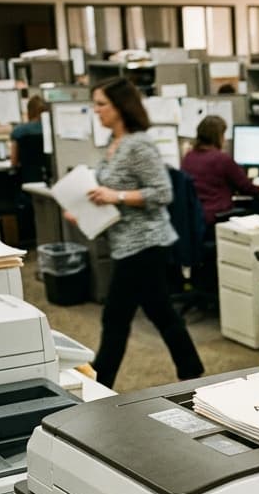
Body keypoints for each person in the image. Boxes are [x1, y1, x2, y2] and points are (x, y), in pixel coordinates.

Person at [69, 76, 204, 389]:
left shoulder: (138, 145)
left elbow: (161, 192)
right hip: (125, 240)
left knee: (115, 317)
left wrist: (113, 196)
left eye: (101, 104)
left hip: (146, 242)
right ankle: (191, 370)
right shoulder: (112, 146)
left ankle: (100, 383)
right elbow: (109, 191)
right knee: (160, 311)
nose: (96, 110)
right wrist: (85, 209)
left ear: (120, 107)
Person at [181, 115, 259, 227]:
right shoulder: (221, 159)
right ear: (218, 137)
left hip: (196, 218)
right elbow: (248, 188)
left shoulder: (188, 157)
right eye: (223, 135)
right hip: (217, 216)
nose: (225, 140)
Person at [10, 95, 49, 184]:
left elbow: (14, 161)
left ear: (29, 111)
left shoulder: (18, 131)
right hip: (48, 178)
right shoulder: (51, 129)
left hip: (27, 179)